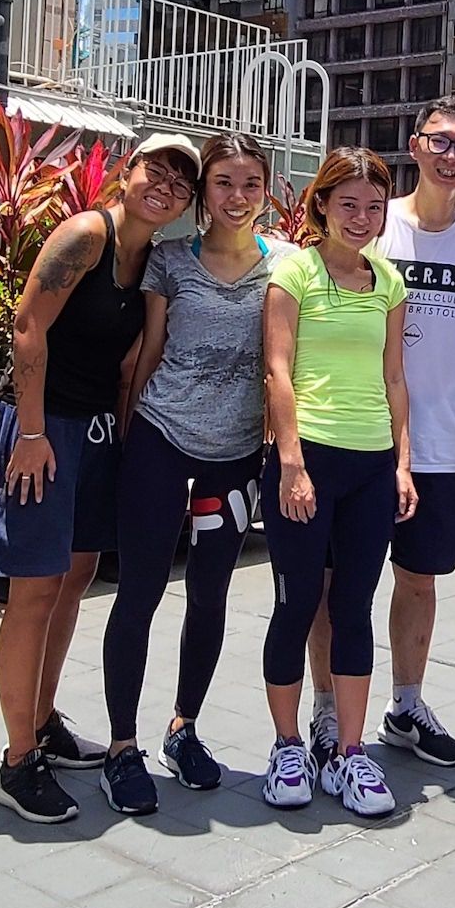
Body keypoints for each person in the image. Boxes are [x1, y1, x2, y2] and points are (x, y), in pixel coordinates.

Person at [0, 132, 199, 824]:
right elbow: (26, 327)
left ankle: (42, 722)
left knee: (75, 577)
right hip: (43, 429)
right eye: (154, 170)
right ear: (125, 175)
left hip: (95, 430)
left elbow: (130, 364)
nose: (165, 185)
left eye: (181, 180)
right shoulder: (86, 234)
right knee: (35, 589)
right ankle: (17, 763)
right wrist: (35, 433)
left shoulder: (153, 261)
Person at [302, 96, 455, 772]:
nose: (452, 157)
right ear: (415, 146)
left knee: (419, 579)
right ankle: (330, 710)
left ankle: (406, 704)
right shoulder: (371, 224)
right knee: (337, 586)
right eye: (440, 142)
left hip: (443, 446)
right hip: (354, 441)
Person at [97, 133, 296, 815]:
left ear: (265, 190)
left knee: (209, 597)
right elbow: (145, 356)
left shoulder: (287, 266)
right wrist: (126, 442)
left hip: (236, 457)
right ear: (203, 194)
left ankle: (184, 728)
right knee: (140, 595)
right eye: (222, 184)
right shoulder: (170, 261)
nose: (236, 198)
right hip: (160, 442)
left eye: (250, 184)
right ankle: (121, 749)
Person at [261, 148, 416, 817]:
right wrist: (291, 462)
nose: (361, 217)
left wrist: (403, 463)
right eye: (347, 203)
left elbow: (393, 378)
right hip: (309, 460)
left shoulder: (388, 280)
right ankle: (289, 745)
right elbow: (277, 370)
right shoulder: (293, 271)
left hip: (370, 463)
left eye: (374, 206)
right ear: (321, 205)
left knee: (353, 608)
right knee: (296, 608)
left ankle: (350, 755)